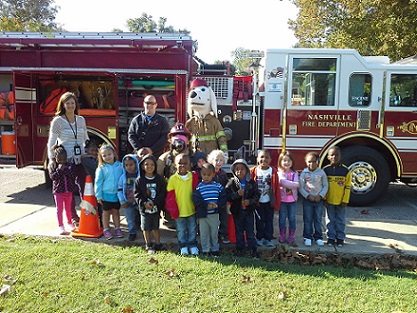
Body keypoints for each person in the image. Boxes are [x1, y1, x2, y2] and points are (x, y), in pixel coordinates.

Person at [47, 92, 89, 226]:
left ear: (76, 104)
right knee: (69, 191)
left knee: (85, 188)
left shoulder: (81, 119)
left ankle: (87, 214)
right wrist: (52, 160)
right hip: (67, 161)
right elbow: (51, 142)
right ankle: (73, 217)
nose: (70, 106)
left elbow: (85, 138)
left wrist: (90, 152)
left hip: (80, 159)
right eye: (68, 103)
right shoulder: (58, 121)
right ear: (63, 105)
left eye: (73, 103)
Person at [165, 153, 199, 255]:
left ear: (189, 165)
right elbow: (170, 197)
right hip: (179, 211)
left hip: (191, 210)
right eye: (180, 163)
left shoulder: (193, 177)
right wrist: (172, 210)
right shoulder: (173, 179)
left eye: (185, 163)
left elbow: (196, 191)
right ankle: (183, 246)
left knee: (193, 229)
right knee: (181, 230)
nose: (183, 166)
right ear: (175, 164)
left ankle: (192, 245)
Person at [226, 159, 260, 259]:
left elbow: (257, 195)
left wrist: (250, 201)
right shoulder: (232, 183)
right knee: (239, 232)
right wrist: (237, 194)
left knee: (250, 232)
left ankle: (253, 250)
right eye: (237, 169)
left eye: (242, 169)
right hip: (237, 212)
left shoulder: (252, 183)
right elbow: (227, 195)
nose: (239, 172)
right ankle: (240, 249)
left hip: (249, 211)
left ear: (247, 171)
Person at [193, 163, 227, 257]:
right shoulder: (199, 187)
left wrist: (218, 205)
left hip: (214, 214)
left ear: (213, 174)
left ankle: (215, 249)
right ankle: (205, 250)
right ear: (201, 174)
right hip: (203, 215)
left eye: (209, 175)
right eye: (204, 174)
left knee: (214, 233)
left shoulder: (218, 186)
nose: (206, 177)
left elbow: (224, 197)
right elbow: (196, 199)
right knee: (204, 233)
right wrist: (205, 205)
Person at [135, 154, 167, 252]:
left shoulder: (159, 179)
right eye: (146, 164)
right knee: (146, 227)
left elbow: (162, 193)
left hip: (156, 208)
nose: (149, 167)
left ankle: (157, 243)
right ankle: (148, 244)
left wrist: (155, 202)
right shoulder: (139, 180)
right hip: (144, 210)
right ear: (142, 166)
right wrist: (144, 203)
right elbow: (137, 195)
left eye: (152, 164)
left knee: (155, 227)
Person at [250, 149, 281, 248]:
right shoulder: (253, 171)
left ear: (270, 159)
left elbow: (276, 188)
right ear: (258, 159)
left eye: (267, 157)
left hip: (269, 201)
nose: (264, 159)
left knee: (269, 221)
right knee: (259, 221)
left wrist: (276, 202)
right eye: (262, 157)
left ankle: (268, 238)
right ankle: (259, 238)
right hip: (258, 202)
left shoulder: (273, 171)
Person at [323, 146, 351, 247]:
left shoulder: (346, 171)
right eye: (332, 155)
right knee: (330, 220)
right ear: (328, 157)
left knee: (340, 220)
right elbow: (324, 186)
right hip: (329, 200)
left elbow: (348, 187)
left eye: (337, 155)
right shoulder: (325, 170)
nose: (334, 157)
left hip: (341, 202)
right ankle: (331, 237)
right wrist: (325, 198)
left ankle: (340, 238)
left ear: (340, 156)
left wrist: (345, 200)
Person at [299, 152, 328, 247]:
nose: (312, 164)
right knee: (307, 219)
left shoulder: (321, 173)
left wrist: (321, 196)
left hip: (318, 200)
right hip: (308, 200)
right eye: (309, 162)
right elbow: (301, 187)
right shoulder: (304, 173)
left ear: (318, 162)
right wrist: (307, 196)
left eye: (314, 161)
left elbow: (325, 186)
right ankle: (307, 237)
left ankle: (318, 237)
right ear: (306, 162)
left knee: (318, 219)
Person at [95, 144, 124, 240]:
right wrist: (98, 195)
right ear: (101, 157)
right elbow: (98, 182)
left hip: (117, 194)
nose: (107, 157)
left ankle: (117, 228)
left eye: (109, 154)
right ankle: (106, 229)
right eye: (104, 155)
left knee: (116, 212)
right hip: (105, 195)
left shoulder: (120, 166)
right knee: (106, 213)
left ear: (114, 154)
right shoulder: (101, 168)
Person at [48, 145, 78, 235]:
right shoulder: (53, 167)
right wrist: (59, 170)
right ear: (55, 159)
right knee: (59, 209)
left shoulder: (69, 166)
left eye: (64, 159)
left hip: (68, 191)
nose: (62, 162)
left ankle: (70, 223)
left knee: (68, 208)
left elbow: (73, 175)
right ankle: (60, 226)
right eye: (60, 160)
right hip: (58, 192)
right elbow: (53, 177)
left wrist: (65, 169)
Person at [207, 149, 229, 244]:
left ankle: (223, 234)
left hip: (220, 200)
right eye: (216, 160)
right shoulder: (208, 173)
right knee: (211, 218)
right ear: (211, 160)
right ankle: (211, 235)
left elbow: (226, 187)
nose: (218, 162)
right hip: (210, 199)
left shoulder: (223, 174)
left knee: (223, 217)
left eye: (221, 160)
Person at [277, 150, 300, 244]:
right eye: (284, 160)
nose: (287, 163)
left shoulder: (295, 173)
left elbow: (297, 183)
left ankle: (291, 235)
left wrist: (292, 184)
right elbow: (283, 182)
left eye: (289, 160)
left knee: (292, 218)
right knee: (282, 218)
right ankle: (282, 234)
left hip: (292, 200)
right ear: (280, 162)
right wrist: (294, 184)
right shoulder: (280, 173)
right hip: (282, 200)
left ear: (292, 162)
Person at [118, 154, 140, 242]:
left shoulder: (139, 176)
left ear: (136, 164)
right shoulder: (123, 177)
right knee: (130, 218)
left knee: (142, 216)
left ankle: (144, 229)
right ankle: (132, 232)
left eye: (131, 165)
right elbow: (119, 189)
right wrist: (122, 201)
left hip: (139, 201)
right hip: (128, 202)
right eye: (126, 165)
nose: (129, 167)